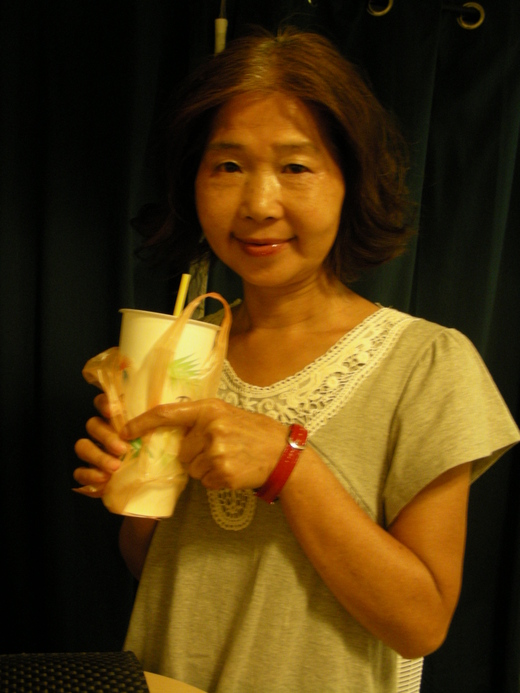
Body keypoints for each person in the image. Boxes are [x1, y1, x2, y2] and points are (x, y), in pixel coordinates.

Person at [73, 28, 519, 693]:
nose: (258, 204)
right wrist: (137, 488)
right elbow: (159, 574)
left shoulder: (427, 363)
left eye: (295, 167)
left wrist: (289, 465)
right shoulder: (179, 352)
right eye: (228, 166)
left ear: (350, 182)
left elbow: (420, 625)